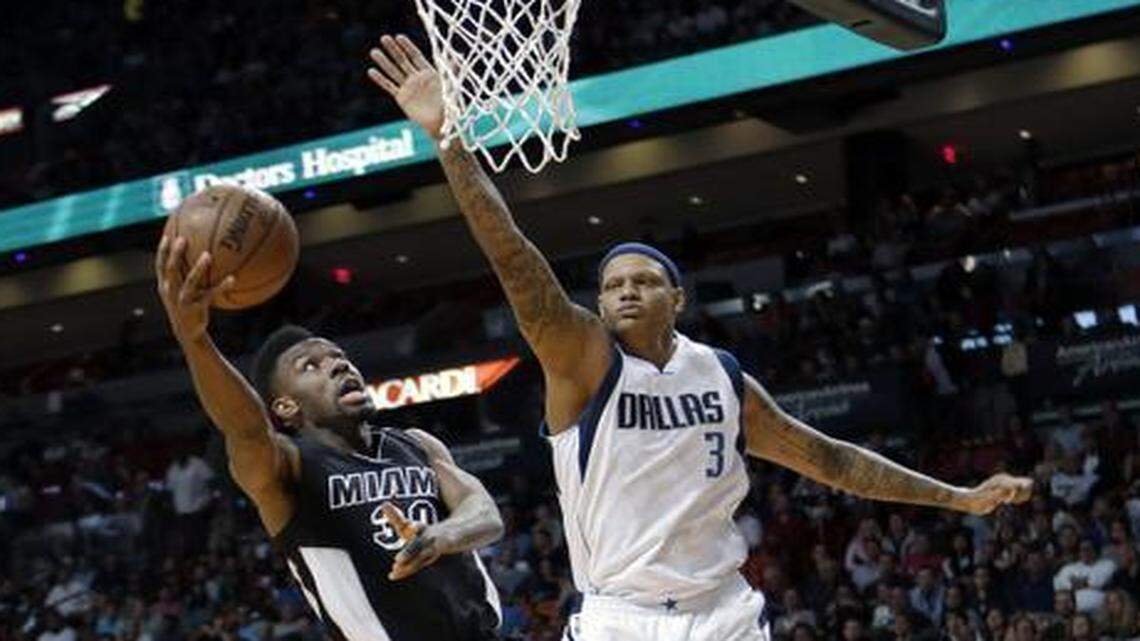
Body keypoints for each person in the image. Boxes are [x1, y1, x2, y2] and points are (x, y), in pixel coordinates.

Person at [366, 34, 1035, 641]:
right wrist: (449, 138)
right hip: (620, 619)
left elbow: (830, 460)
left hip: (724, 614)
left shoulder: (721, 375)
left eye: (643, 280)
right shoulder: (583, 359)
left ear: (677, 298)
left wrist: (959, 496)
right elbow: (512, 256)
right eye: (611, 284)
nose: (624, 290)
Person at [153, 235, 504, 641]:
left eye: (339, 357)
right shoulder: (288, 468)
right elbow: (245, 428)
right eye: (310, 367)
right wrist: (195, 341)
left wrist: (443, 535)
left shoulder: (417, 444)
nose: (337, 366)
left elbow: (484, 512)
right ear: (286, 408)